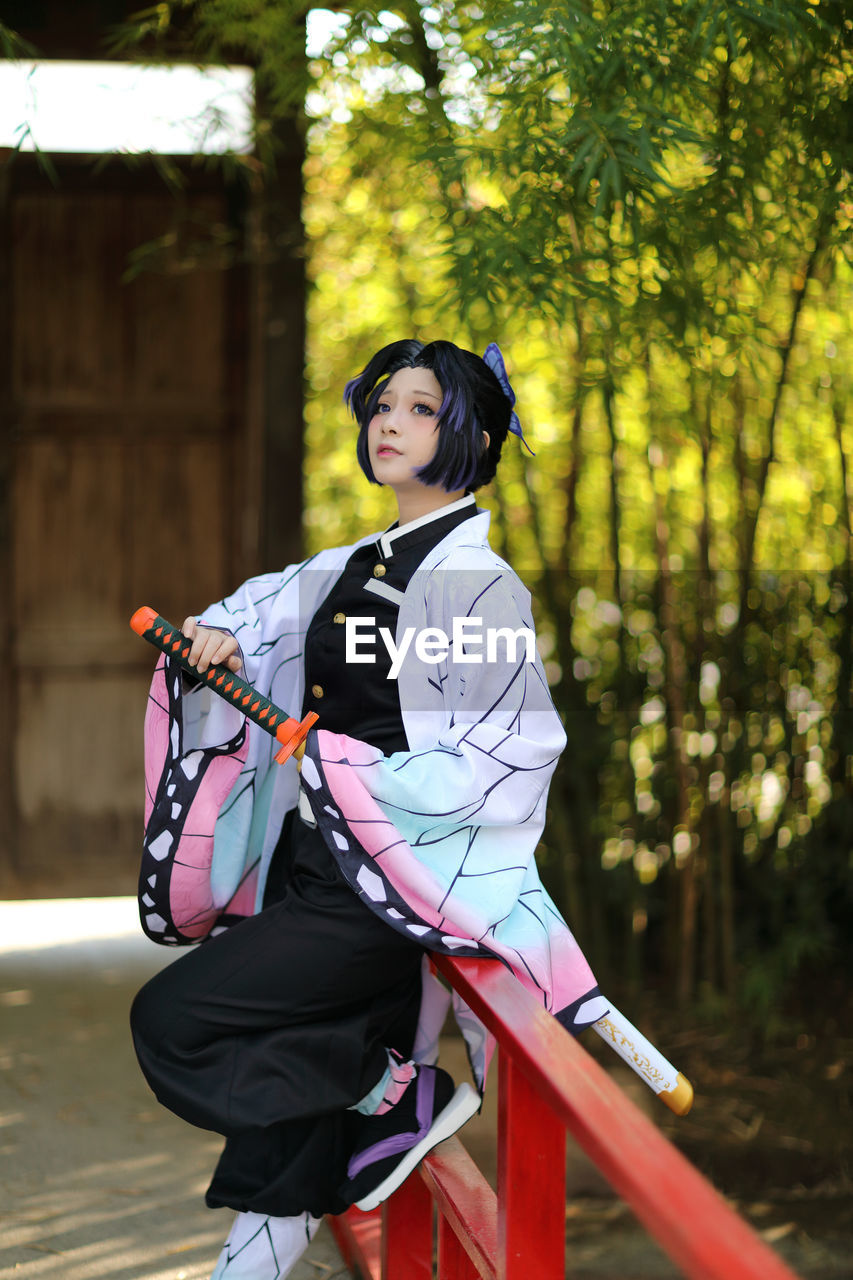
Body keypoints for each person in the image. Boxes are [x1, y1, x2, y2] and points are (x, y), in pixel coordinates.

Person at [130, 339, 604, 1280]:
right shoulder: (357, 561)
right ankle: (364, 1107)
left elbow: (504, 758)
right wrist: (221, 633)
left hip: (380, 891)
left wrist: (358, 770)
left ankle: (388, 1090)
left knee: (174, 1021)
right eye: (383, 404)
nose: (389, 421)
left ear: (466, 433)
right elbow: (261, 609)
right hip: (314, 866)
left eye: (420, 409)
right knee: (290, 1157)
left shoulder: (477, 586)